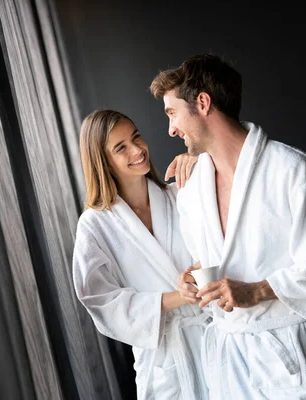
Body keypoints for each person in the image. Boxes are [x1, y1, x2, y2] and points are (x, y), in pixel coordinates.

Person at [150, 53, 306, 399]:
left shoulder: (292, 172)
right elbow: (214, 258)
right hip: (228, 359)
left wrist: (259, 289)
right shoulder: (192, 186)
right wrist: (193, 278)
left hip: (283, 353)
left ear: (202, 103)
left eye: (172, 113)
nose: (171, 129)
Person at [72, 109, 209, 399]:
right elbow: (99, 300)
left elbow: (222, 240)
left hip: (215, 340)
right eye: (121, 147)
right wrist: (176, 297)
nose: (137, 150)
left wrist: (202, 162)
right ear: (102, 161)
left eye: (136, 137)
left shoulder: (179, 195)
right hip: (165, 360)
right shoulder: (97, 224)